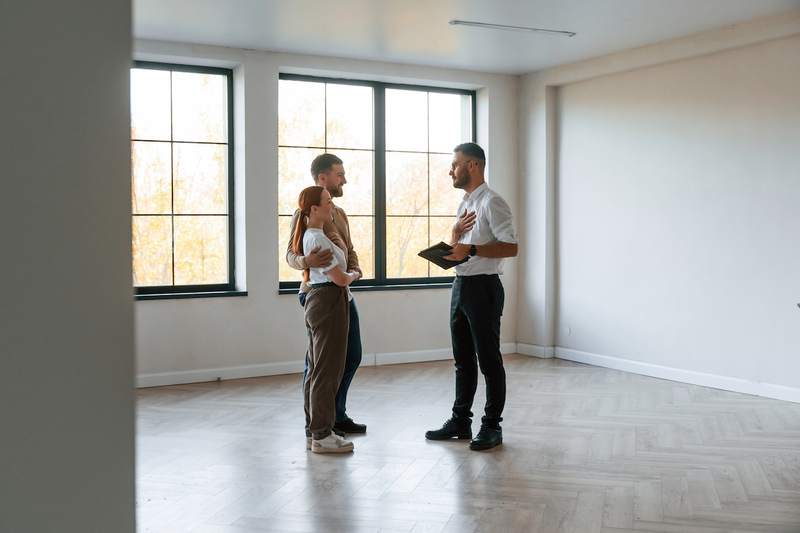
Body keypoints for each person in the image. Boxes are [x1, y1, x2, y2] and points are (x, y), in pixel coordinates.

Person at [425, 142, 518, 451]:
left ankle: (492, 427)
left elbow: (511, 247)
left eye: (455, 164)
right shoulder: (465, 203)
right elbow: (462, 249)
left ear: (473, 166)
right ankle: (460, 421)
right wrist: (453, 241)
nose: (451, 170)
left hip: (484, 288)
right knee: (462, 361)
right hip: (461, 285)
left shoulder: (493, 202)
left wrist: (473, 249)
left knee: (489, 361)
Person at [286, 153, 367, 436]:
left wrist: (355, 271)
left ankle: (336, 414)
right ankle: (318, 423)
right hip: (317, 293)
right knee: (319, 364)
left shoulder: (339, 214)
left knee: (352, 355)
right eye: (339, 174)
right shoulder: (304, 213)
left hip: (342, 292)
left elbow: (349, 249)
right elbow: (291, 255)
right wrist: (309, 261)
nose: (344, 179)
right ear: (323, 177)